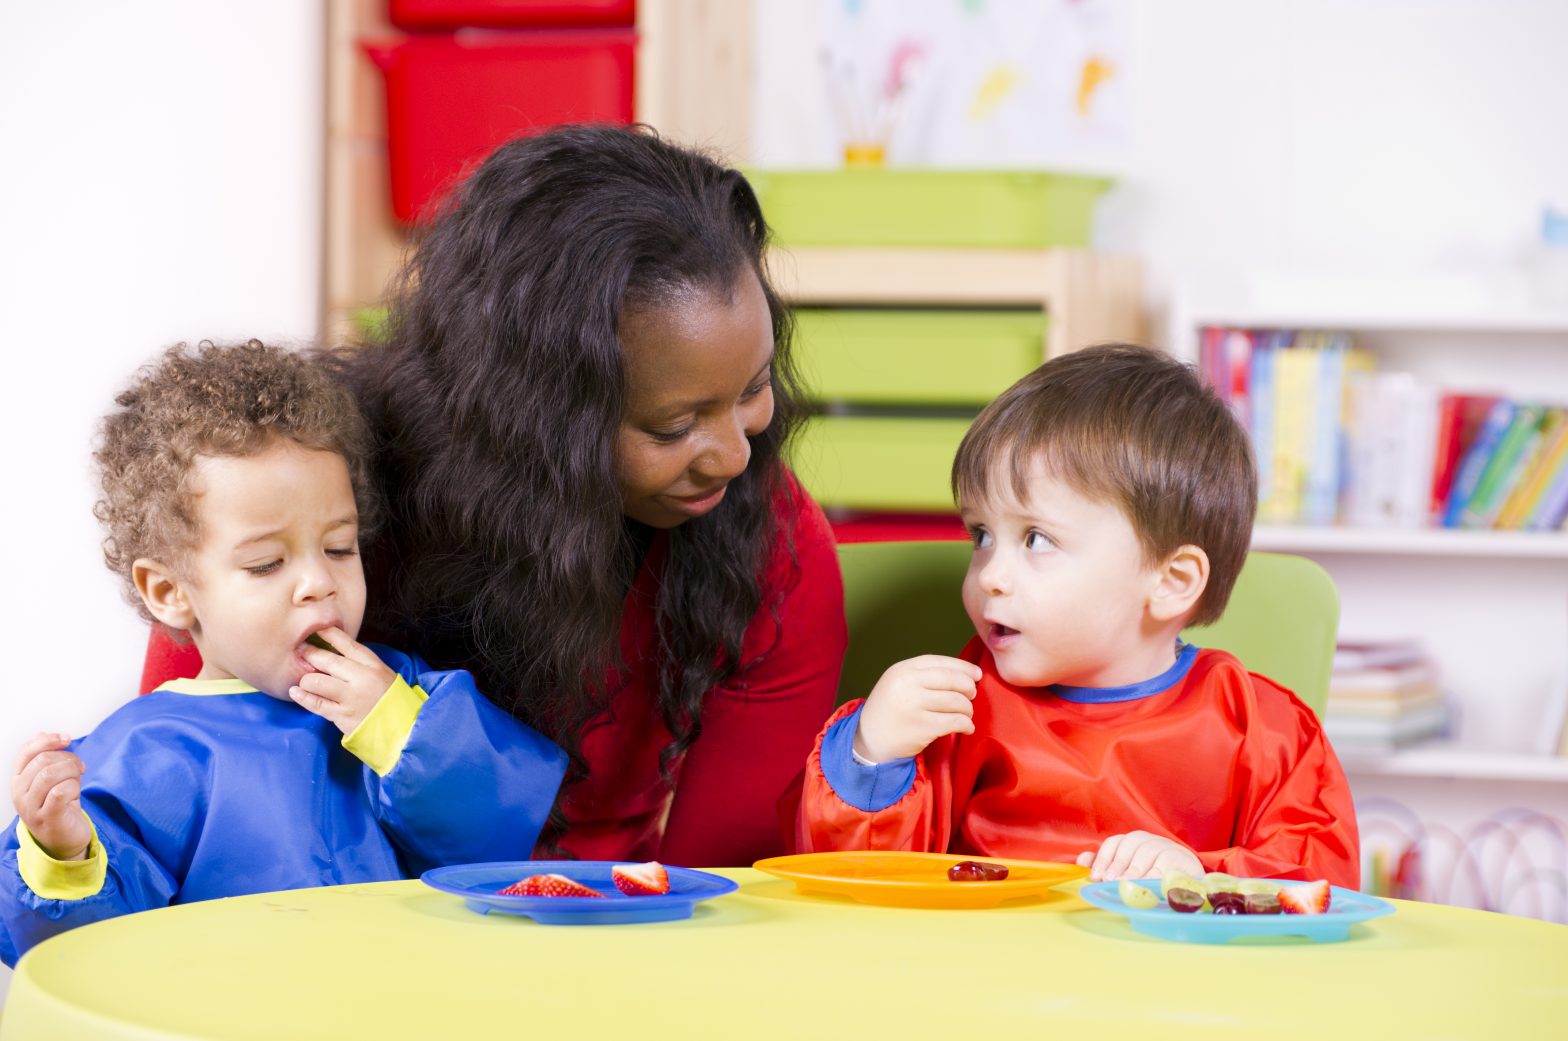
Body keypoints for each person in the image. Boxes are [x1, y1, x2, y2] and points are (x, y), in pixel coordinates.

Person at [336, 124, 847, 866]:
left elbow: (723, 880)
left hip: (618, 933)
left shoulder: (772, 541)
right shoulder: (317, 501)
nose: (737, 454)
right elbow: (197, 779)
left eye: (754, 387)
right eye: (673, 426)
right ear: (529, 418)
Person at [1, 341, 566, 966]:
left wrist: (401, 730)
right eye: (266, 563)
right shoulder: (146, 749)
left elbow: (491, 838)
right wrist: (63, 855)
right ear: (170, 593)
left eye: (340, 547)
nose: (318, 582)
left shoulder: (397, 694)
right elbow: (85, 955)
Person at [796, 344, 1360, 887]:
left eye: (1036, 538)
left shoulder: (1261, 728)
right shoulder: (959, 704)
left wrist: (1201, 877)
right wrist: (872, 756)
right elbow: (857, 884)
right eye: (983, 535)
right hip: (986, 974)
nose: (990, 573)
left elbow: (1318, 882)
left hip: (1165, 979)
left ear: (1171, 581)